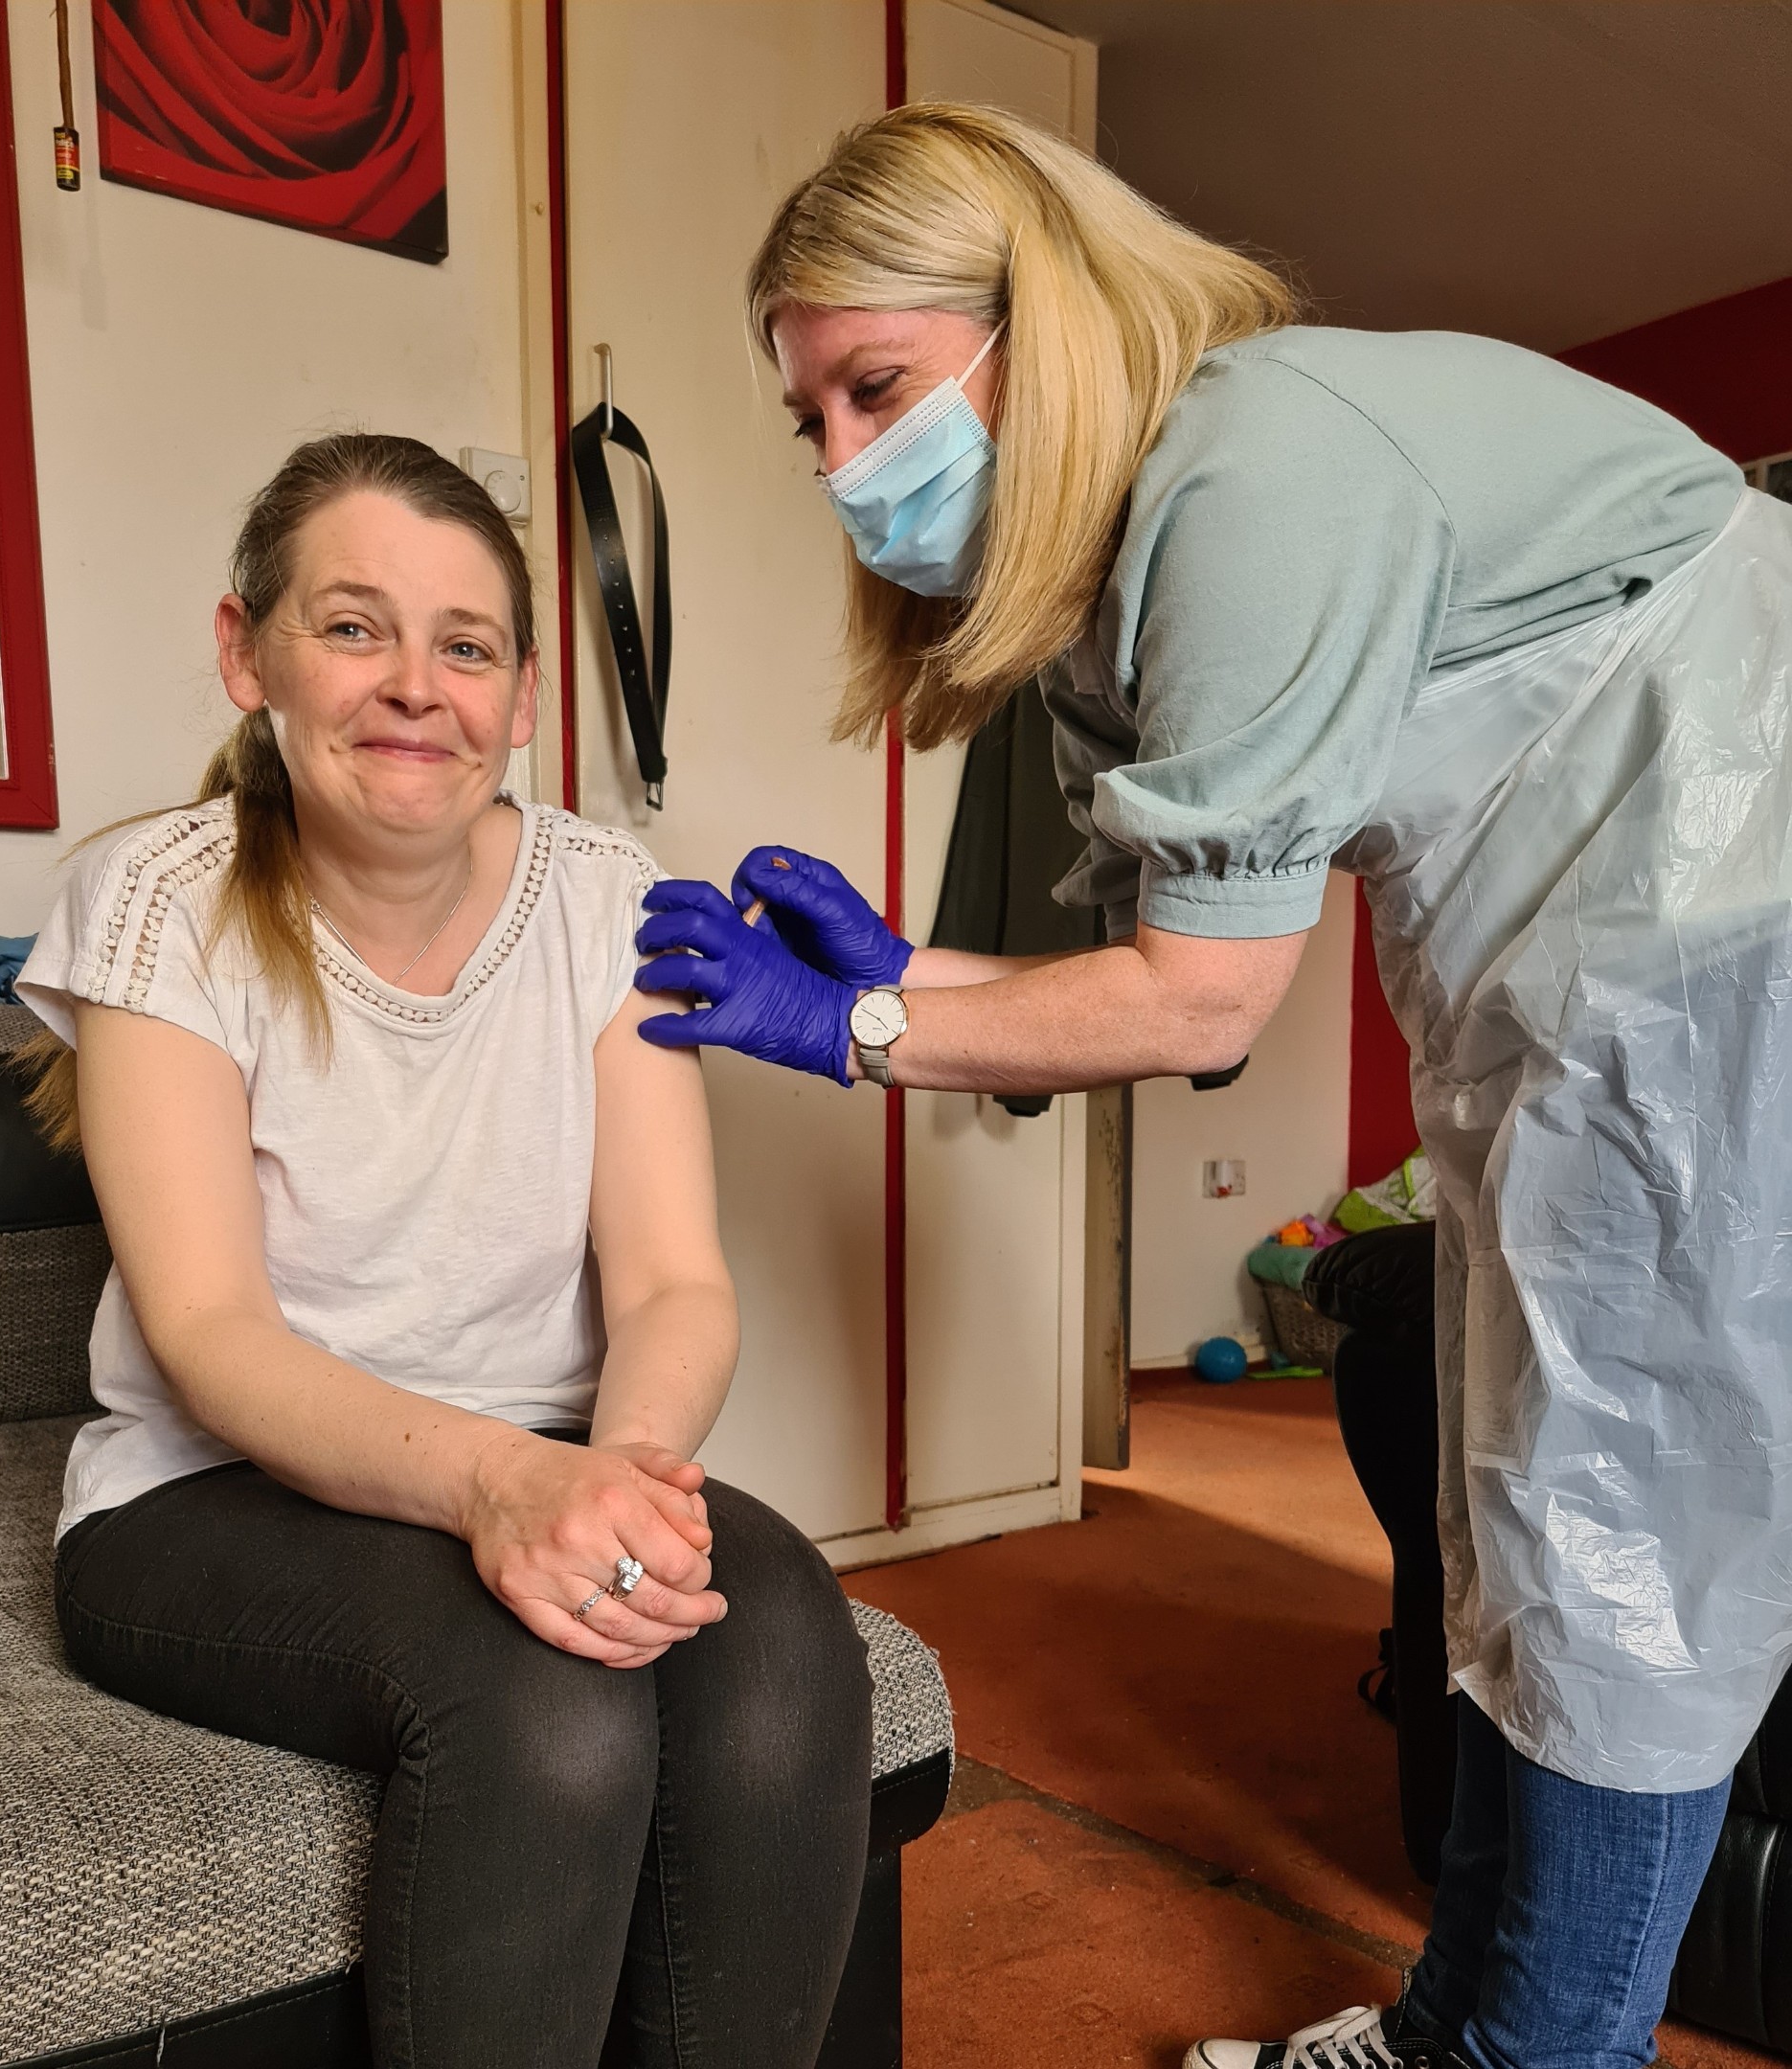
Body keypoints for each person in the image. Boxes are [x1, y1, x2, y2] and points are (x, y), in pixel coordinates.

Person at [632, 103, 1792, 2069]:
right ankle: (1456, 2028)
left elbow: (1185, 1007)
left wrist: (850, 1030)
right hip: (1584, 975)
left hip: (1718, 945)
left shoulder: (1253, 473)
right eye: (809, 419)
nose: (843, 465)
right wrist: (912, 973)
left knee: (1615, 1561)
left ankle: (1535, 2055)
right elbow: (1205, 979)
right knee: (1511, 1503)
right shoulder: (1134, 563)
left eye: (877, 388)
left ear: (1045, 320)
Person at [14, 434, 873, 2069]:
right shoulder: (153, 903)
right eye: (352, 628)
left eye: (466, 645)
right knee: (548, 1715)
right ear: (242, 649)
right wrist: (502, 1489)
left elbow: (676, 1282)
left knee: (779, 1650)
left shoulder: (606, 898)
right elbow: (209, 1333)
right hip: (209, 1495)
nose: (416, 686)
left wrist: (617, 1474)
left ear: (526, 694)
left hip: (558, 1454)